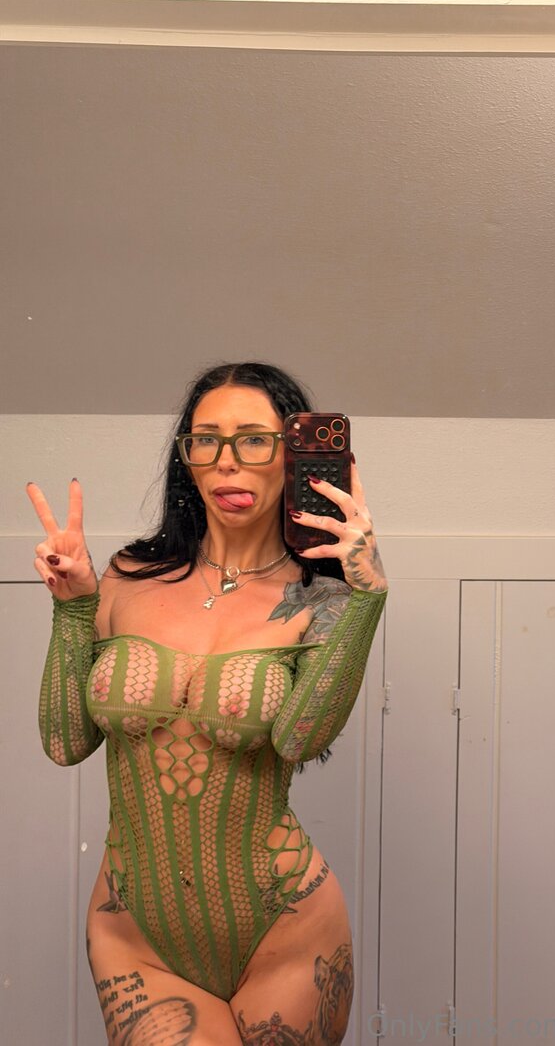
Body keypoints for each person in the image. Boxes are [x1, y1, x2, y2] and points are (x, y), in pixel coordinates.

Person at [28, 362, 388, 1046]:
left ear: (295, 455)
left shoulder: (322, 597)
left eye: (254, 438)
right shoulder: (127, 576)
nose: (227, 460)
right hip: (136, 937)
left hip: (286, 930)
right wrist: (73, 607)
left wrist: (366, 594)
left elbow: (300, 739)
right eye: (206, 439)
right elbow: (64, 742)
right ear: (185, 456)